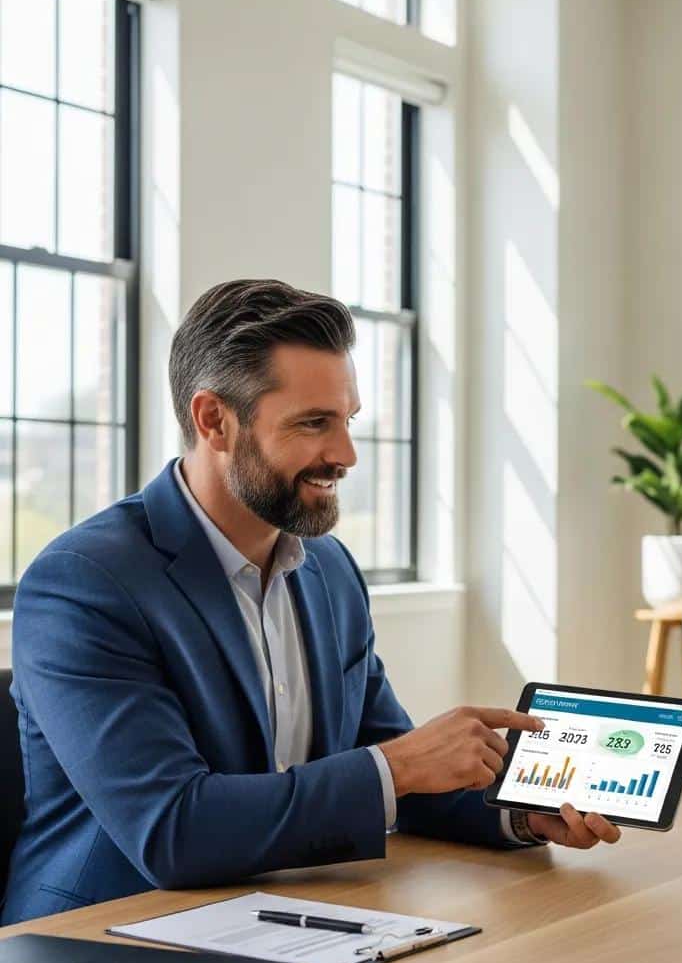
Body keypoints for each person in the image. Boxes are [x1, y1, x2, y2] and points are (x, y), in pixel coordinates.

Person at [1, 278, 619, 925]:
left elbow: (392, 772)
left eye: (348, 421)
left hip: (281, 914)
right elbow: (173, 828)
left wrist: (520, 812)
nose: (345, 454)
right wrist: (397, 766)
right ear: (214, 420)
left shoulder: (328, 569)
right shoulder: (85, 583)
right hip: (103, 939)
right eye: (314, 423)